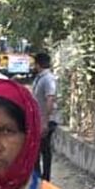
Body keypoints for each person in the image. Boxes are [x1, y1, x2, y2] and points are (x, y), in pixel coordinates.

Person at [32, 52, 60, 181]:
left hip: (45, 120)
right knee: (38, 149)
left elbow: (50, 99)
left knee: (43, 149)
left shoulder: (48, 78)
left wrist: (45, 122)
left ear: (38, 64)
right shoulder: (40, 78)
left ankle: (45, 177)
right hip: (40, 119)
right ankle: (39, 176)